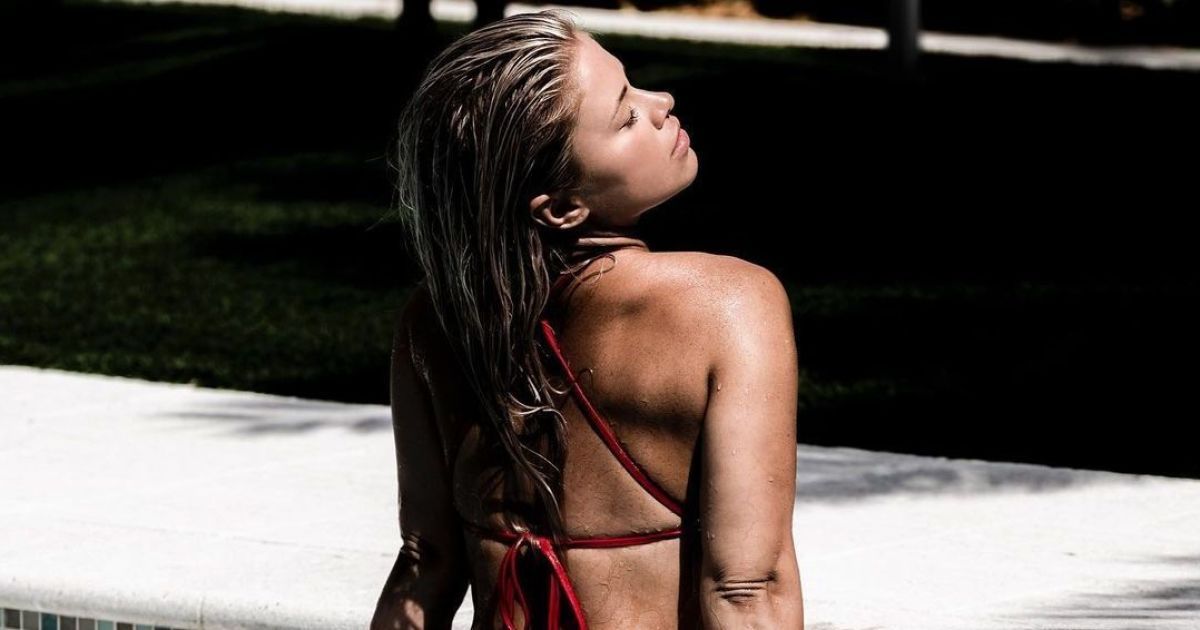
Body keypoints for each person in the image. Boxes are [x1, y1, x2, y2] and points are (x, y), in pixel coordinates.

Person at [372, 9, 803, 629]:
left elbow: (426, 563)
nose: (662, 103)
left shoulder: (435, 321)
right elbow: (746, 587)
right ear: (562, 208)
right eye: (626, 116)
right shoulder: (728, 305)